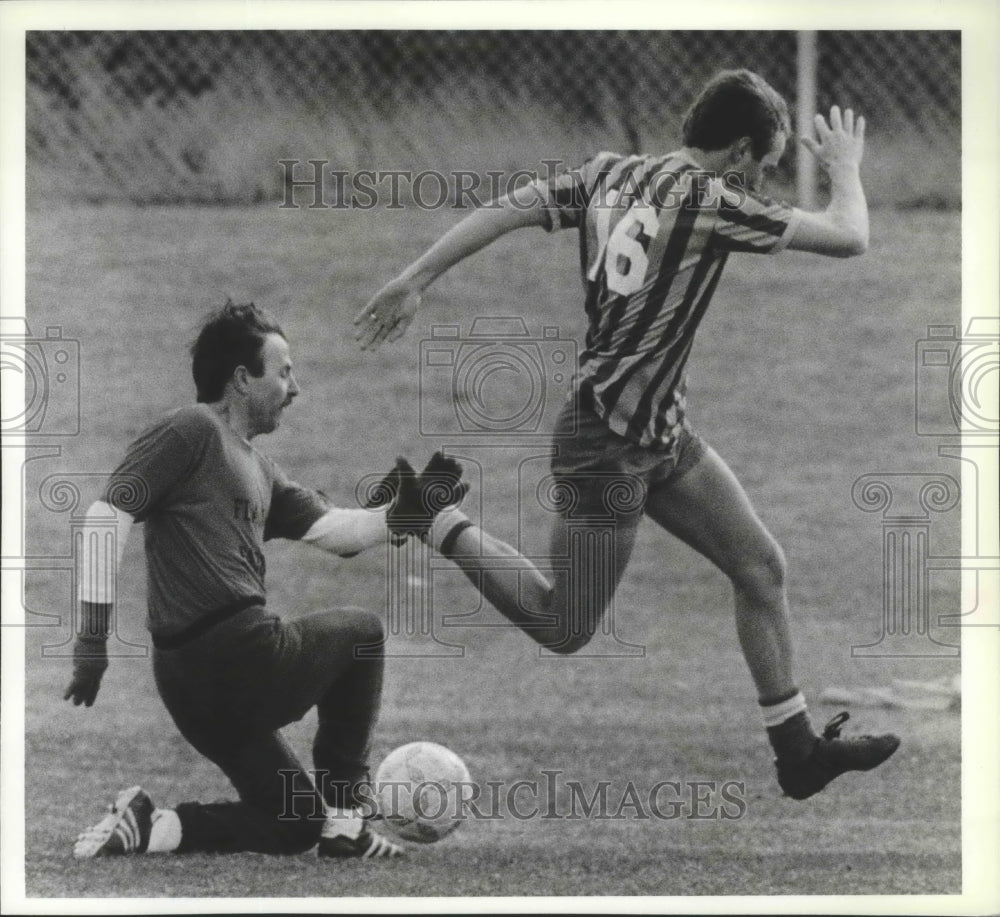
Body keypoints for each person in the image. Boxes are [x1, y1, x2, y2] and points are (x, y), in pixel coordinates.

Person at [357, 69, 900, 799]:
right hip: (605, 442)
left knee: (761, 567)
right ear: (740, 152)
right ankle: (432, 515)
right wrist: (845, 171)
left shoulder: (606, 172)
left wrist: (415, 277)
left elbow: (505, 210)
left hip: (660, 432)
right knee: (563, 625)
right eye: (764, 168)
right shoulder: (713, 202)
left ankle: (796, 750)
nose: (762, 185)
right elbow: (850, 236)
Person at [67, 301, 461, 859]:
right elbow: (106, 517)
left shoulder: (260, 470)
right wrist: (90, 639)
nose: (294, 387)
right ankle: (347, 822)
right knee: (364, 634)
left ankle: (150, 825)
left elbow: (335, 531)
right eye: (284, 372)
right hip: (234, 652)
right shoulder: (192, 429)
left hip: (193, 684)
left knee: (293, 823)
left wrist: (401, 515)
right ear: (241, 380)